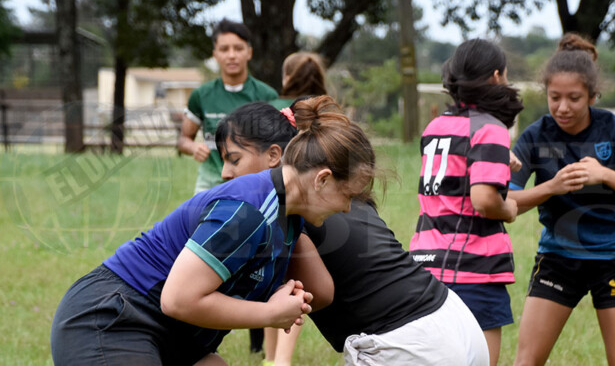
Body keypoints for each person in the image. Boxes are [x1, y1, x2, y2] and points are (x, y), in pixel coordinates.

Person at [50, 96, 376, 365]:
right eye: (347, 196)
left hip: (174, 335)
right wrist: (268, 313)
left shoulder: (286, 217)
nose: (346, 208)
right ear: (321, 180)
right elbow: (177, 300)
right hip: (115, 318)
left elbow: (320, 292)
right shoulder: (247, 210)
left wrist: (285, 298)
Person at [216, 101, 489, 366]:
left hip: (409, 344)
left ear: (274, 156)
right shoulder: (333, 184)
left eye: (234, 160)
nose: (225, 173)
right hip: (454, 320)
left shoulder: (292, 209)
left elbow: (320, 294)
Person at [509, 33, 615, 366]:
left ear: (593, 96)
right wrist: (550, 187)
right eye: (555, 97)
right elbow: (506, 200)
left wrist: (606, 175)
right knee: (525, 362)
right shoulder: (536, 135)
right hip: (557, 258)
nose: (563, 107)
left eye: (574, 98)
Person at [409, 38, 522, 366]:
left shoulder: (435, 127)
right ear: (497, 76)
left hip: (425, 266)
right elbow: (484, 199)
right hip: (473, 270)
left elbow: (453, 181)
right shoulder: (490, 128)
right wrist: (509, 209)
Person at [261, 52, 328, 366]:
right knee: (295, 285)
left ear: (286, 76)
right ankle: (280, 360)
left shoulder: (277, 110)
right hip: (316, 206)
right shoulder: (326, 110)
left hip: (278, 206)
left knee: (278, 281)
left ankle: (274, 358)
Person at [178, 18, 279, 194]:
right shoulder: (200, 95)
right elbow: (183, 139)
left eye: (238, 48)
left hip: (252, 185)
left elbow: (277, 148)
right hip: (209, 184)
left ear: (249, 52)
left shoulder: (267, 96)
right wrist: (193, 147)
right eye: (224, 49)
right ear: (215, 54)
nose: (231, 55)